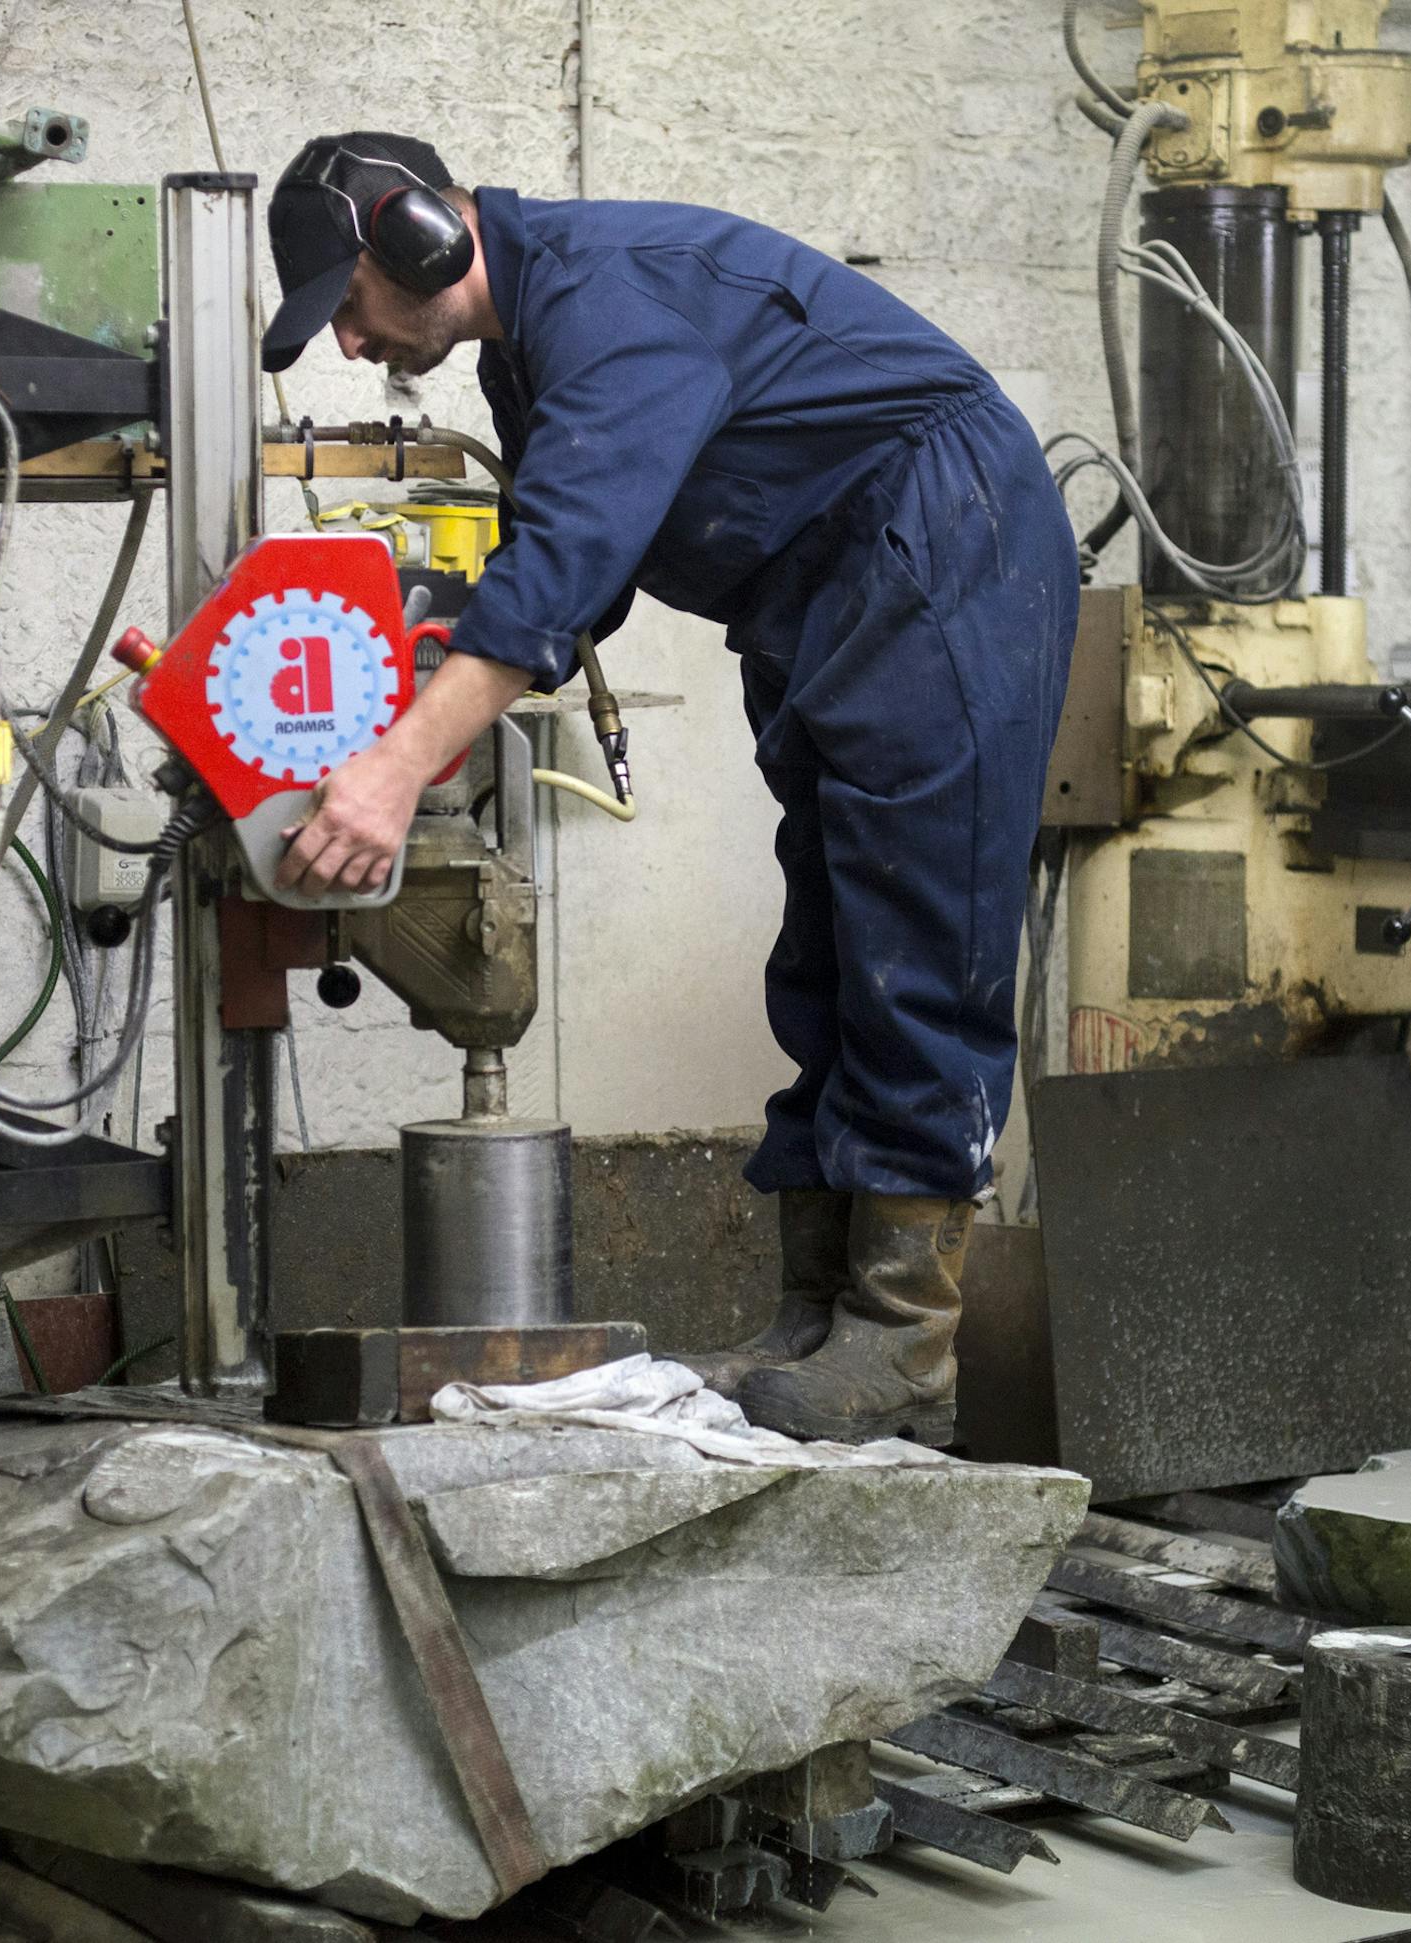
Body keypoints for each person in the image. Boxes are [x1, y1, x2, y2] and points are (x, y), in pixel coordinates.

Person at [260, 133, 1078, 1446]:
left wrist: (398, 765)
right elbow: (560, 556)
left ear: (420, 234)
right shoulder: (532, 351)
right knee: (832, 939)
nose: (349, 346)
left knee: (921, 932)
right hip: (823, 593)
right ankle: (819, 1314)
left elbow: (575, 558)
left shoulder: (607, 301)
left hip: (939, 546)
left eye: (347, 307)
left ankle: (906, 1343)